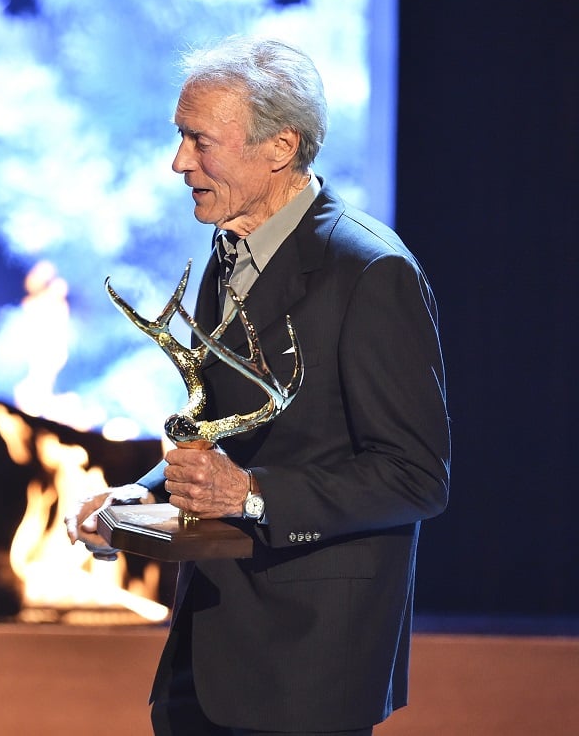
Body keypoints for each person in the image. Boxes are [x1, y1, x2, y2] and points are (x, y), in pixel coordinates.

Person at [67, 36, 450, 736]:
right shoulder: (230, 249)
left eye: (199, 141)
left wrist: (253, 494)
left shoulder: (370, 273)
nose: (179, 163)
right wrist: (139, 494)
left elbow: (415, 476)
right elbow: (222, 427)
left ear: (280, 147)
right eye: (180, 138)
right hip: (205, 658)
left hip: (307, 672)